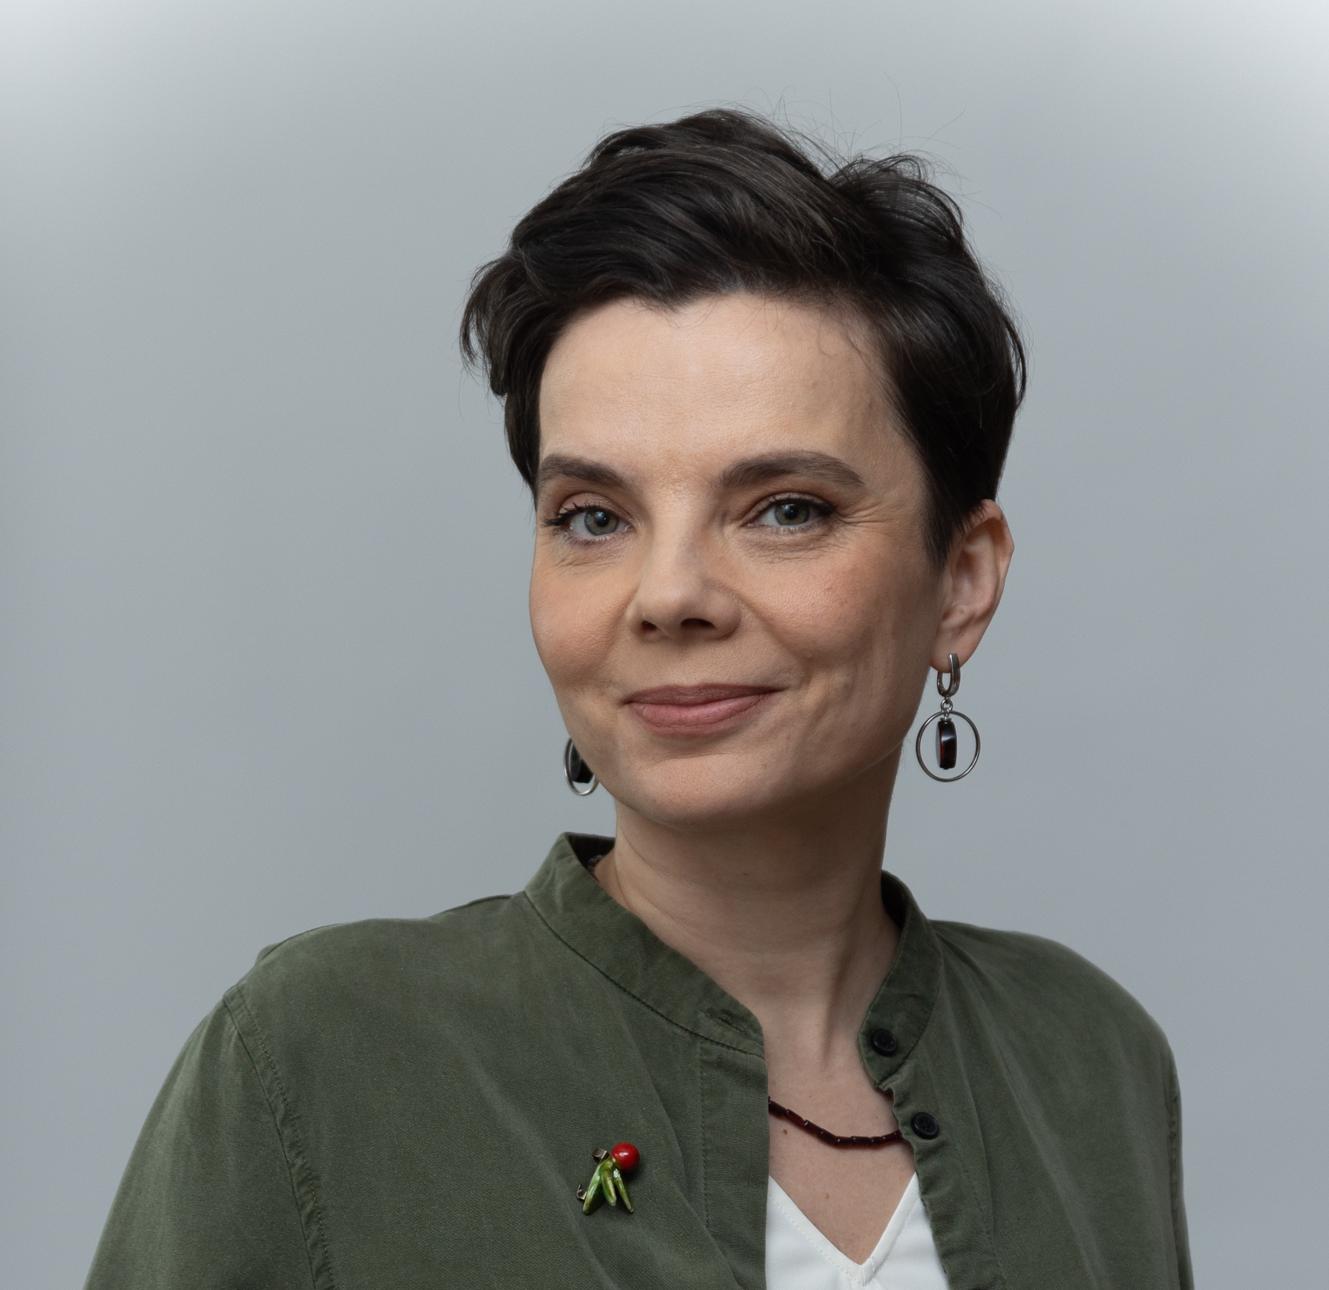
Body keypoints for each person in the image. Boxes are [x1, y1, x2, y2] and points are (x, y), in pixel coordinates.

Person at [83, 106, 1193, 1290]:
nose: (667, 597)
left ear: (961, 583)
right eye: (593, 518)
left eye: (785, 509)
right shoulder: (318, 1058)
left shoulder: (1088, 1058)